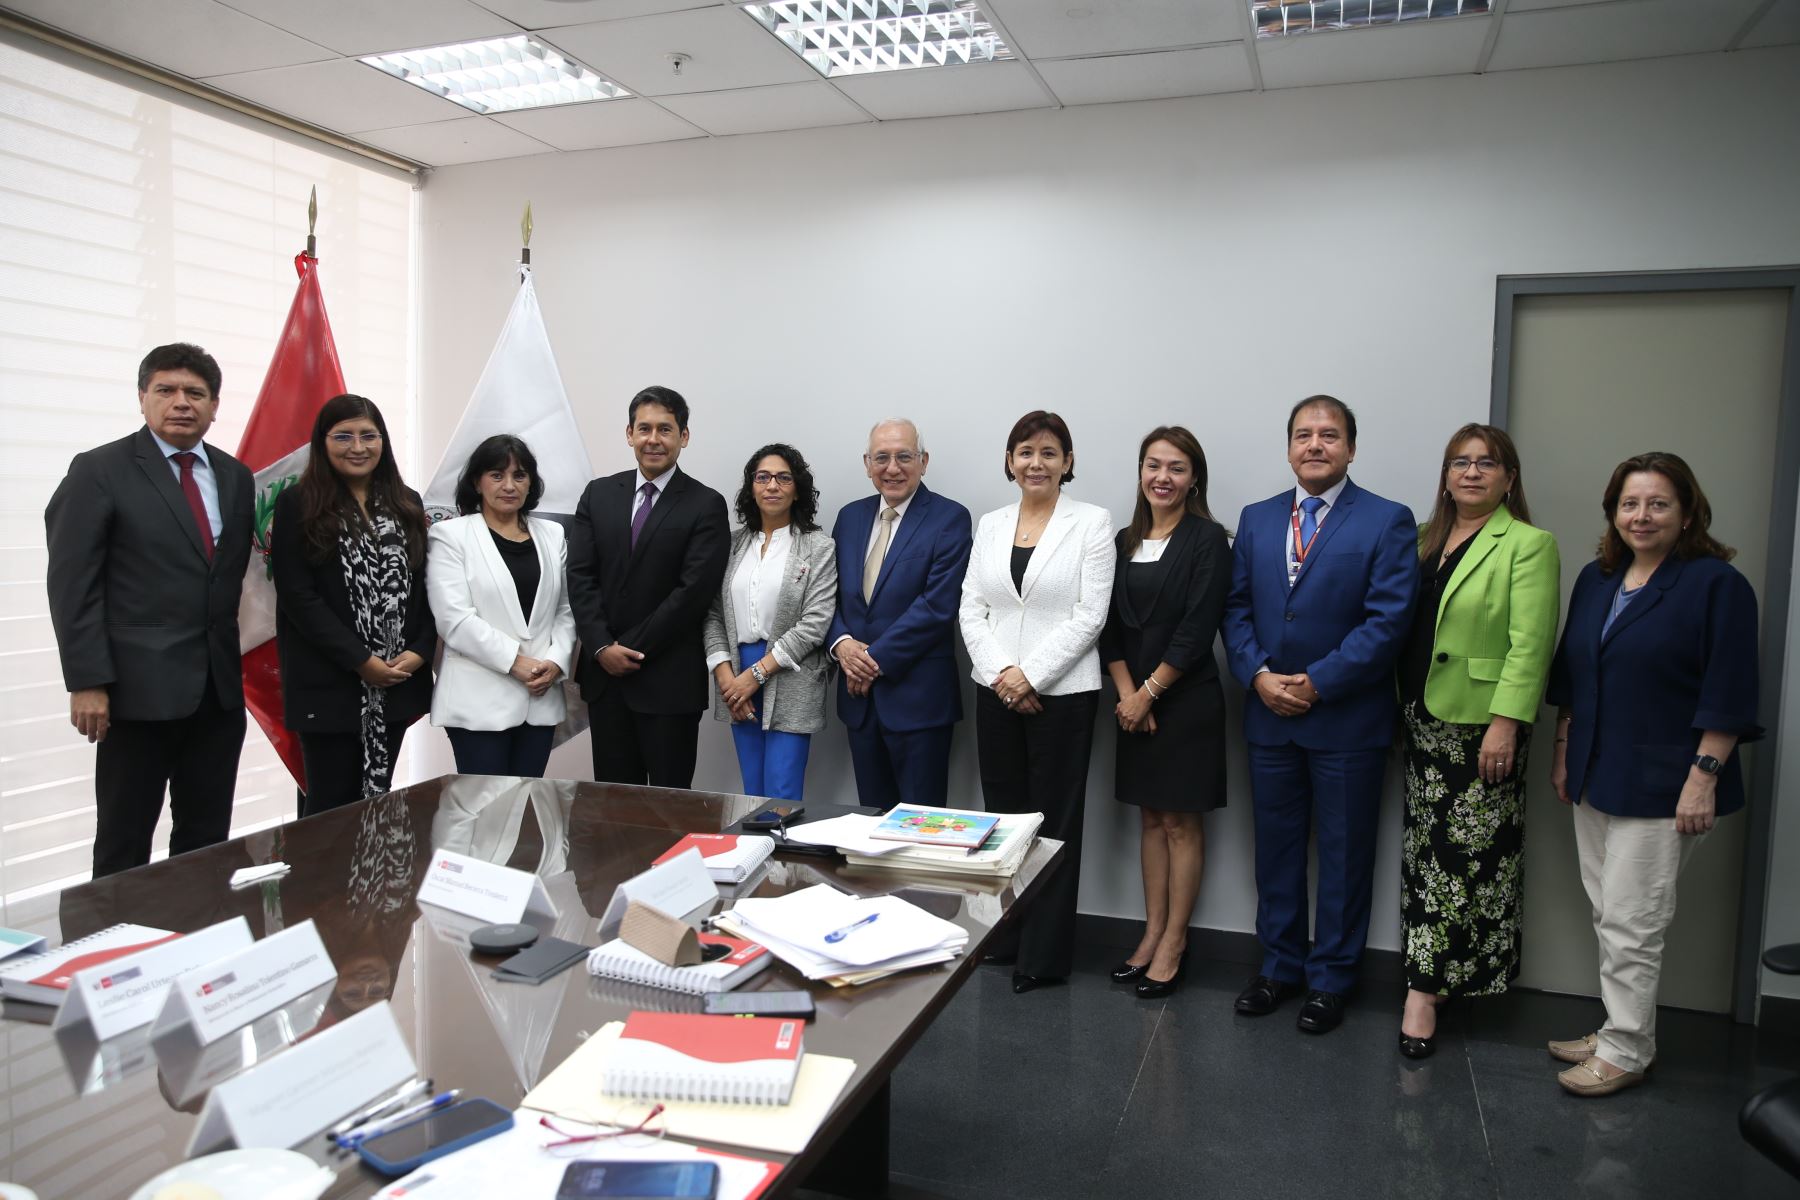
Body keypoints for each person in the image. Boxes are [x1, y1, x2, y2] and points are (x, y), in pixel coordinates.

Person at [1545, 452, 1761, 1096]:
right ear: (1613, 511)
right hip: (1594, 770)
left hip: (1667, 781)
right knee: (1608, 909)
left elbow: (1729, 690)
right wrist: (1562, 749)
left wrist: (1704, 777)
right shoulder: (1598, 578)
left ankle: (1627, 1048)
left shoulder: (1716, 585)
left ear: (1688, 511)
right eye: (1630, 504)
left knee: (1634, 919)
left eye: (1659, 503)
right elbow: (1573, 677)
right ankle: (1621, 1024)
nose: (1642, 516)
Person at [1222, 395, 1418, 1034]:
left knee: (1343, 854)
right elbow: (1237, 608)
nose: (1315, 445)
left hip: (1346, 721)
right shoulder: (1255, 519)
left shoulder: (1388, 521)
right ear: (1288, 448)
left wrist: (1318, 682)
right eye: (1303, 435)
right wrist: (1257, 674)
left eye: (1329, 435)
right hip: (1268, 715)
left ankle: (1331, 979)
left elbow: (1388, 621)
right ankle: (1279, 967)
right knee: (1275, 852)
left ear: (1351, 449)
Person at [45, 343, 255, 877]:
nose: (180, 402)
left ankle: (195, 950)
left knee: (207, 840)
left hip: (218, 695)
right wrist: (87, 681)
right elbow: (73, 584)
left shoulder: (235, 477)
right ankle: (109, 959)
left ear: (214, 406)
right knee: (123, 842)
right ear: (143, 398)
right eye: (166, 390)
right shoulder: (99, 470)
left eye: (195, 393)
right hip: (133, 694)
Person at [1395, 424, 1559, 1059]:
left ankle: (1426, 993)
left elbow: (1531, 642)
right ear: (1445, 475)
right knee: (1424, 858)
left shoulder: (1528, 544)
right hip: (1419, 720)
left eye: (1485, 463)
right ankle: (1429, 975)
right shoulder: (1421, 541)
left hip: (1479, 728)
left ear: (1508, 477)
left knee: (1466, 864)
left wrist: (1507, 721)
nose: (1470, 473)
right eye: (1459, 463)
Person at [958, 411, 1115, 994]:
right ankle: (1006, 935)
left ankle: (1044, 957)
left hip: (1064, 695)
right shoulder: (991, 523)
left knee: (1054, 824)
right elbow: (972, 608)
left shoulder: (1092, 523)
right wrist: (1003, 674)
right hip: (994, 689)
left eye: (1050, 453)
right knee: (1002, 821)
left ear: (1068, 463)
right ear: (1009, 460)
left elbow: (1090, 614)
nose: (1036, 463)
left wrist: (1031, 677)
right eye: (1025, 452)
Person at [1098, 426, 1232, 1000]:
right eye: (1153, 465)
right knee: (1149, 820)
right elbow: (1109, 629)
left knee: (1181, 822)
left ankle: (1176, 941)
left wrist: (1149, 694)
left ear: (1194, 477)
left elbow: (1198, 630)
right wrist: (1129, 696)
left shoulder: (1208, 540)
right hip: (1135, 704)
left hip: (1186, 701)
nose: (1163, 477)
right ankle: (1151, 932)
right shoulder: (1124, 538)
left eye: (1176, 468)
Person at [271, 394, 434, 816]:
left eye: (369, 435)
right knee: (328, 809)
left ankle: (371, 883)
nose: (358, 447)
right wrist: (361, 660)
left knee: (376, 801)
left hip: (397, 683)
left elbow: (426, 588)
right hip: (329, 684)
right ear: (322, 443)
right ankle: (319, 885)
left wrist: (419, 651)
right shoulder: (297, 503)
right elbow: (297, 596)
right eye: (343, 436)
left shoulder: (407, 503)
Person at [567, 386, 729, 788]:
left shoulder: (706, 503)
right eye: (644, 429)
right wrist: (602, 647)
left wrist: (630, 648)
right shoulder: (598, 494)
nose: (653, 439)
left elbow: (693, 592)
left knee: (670, 811)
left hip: (668, 682)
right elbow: (580, 576)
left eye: (665, 429)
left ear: (683, 437)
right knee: (613, 807)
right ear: (629, 434)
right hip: (606, 681)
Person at [827, 419, 973, 809]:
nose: (892, 468)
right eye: (882, 458)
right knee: (871, 825)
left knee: (920, 828)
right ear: (867, 463)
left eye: (904, 456)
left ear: (923, 461)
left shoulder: (950, 518)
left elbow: (937, 606)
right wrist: (842, 646)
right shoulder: (849, 517)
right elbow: (829, 596)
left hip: (919, 701)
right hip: (859, 704)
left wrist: (869, 661)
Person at [426, 434, 576, 778]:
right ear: (477, 482)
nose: (509, 485)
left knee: (525, 809)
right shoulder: (450, 536)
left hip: (540, 699)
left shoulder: (552, 535)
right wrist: (515, 662)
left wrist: (556, 661)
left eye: (519, 475)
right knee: (483, 817)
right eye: (497, 475)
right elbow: (454, 619)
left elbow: (566, 609)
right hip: (477, 701)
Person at [704, 444, 838, 800]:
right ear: (751, 487)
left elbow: (815, 622)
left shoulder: (818, 547)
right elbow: (713, 614)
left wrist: (756, 675)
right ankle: (756, 857)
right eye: (762, 478)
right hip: (735, 674)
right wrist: (727, 677)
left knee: (781, 793)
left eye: (783, 478)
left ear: (797, 490)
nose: (772, 486)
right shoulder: (731, 545)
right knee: (752, 791)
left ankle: (784, 857)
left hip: (789, 676)